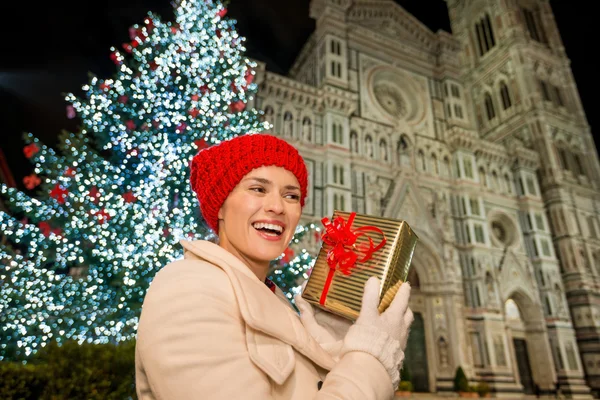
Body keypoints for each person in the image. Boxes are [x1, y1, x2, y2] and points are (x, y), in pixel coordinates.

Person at [135, 133, 414, 399]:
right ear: (220, 206)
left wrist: (335, 349)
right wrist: (371, 356)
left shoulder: (271, 298)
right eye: (258, 189)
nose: (277, 207)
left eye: (291, 196)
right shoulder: (187, 289)